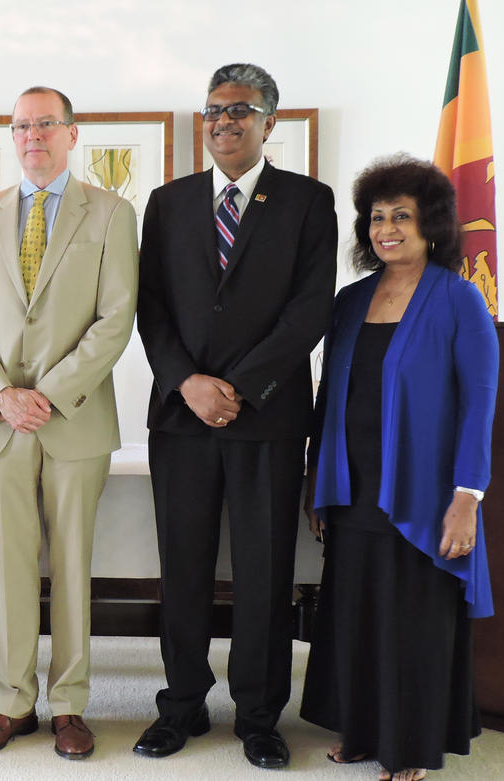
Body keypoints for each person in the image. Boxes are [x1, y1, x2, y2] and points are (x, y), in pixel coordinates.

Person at [135, 63, 337, 769]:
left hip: (269, 418)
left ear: (268, 121)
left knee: (264, 574)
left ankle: (258, 716)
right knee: (183, 570)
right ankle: (182, 705)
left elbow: (311, 308)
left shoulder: (310, 201)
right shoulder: (167, 202)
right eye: (213, 110)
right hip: (182, 417)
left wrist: (242, 386)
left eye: (240, 110)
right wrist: (188, 381)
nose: (223, 121)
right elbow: (150, 307)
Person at [0, 86, 138, 760]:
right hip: (1, 423)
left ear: (71, 133)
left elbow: (116, 318)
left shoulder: (113, 213)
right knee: (11, 566)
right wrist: (2, 392)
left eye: (46, 124)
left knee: (72, 566)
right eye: (22, 125)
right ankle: (12, 701)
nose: (33, 135)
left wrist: (49, 393)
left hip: (75, 420)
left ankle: (69, 704)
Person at [301, 155, 497, 781]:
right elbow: (329, 395)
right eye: (377, 217)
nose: (386, 228)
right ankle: (362, 732)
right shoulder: (350, 300)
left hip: (425, 493)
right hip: (352, 486)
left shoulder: (460, 298)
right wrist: (319, 483)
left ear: (431, 226)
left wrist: (467, 495)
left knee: (413, 622)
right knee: (358, 616)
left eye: (401, 216)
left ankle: (409, 746)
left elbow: (479, 403)